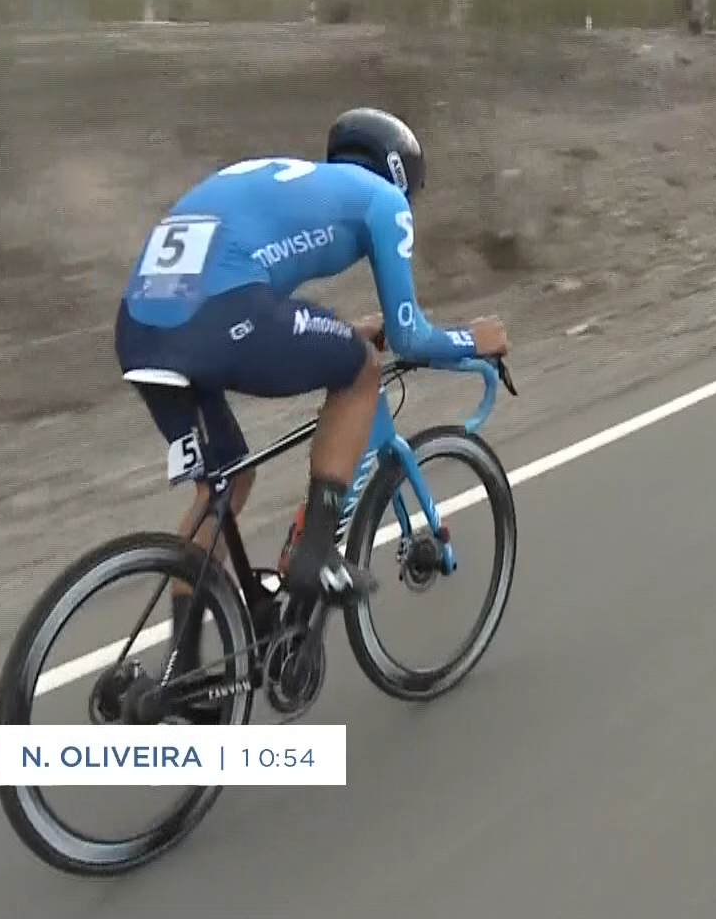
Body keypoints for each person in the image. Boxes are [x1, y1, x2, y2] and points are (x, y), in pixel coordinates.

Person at [114, 107, 508, 688]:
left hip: (140, 327)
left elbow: (253, 292)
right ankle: (317, 552)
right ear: (401, 174)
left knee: (225, 483)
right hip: (219, 317)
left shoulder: (280, 179)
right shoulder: (383, 200)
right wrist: (473, 340)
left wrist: (342, 331)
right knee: (361, 370)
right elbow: (410, 337)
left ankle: (183, 671)